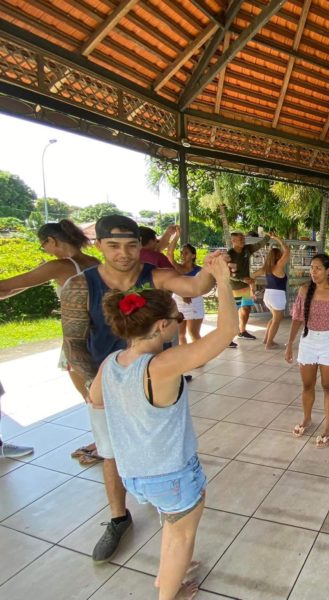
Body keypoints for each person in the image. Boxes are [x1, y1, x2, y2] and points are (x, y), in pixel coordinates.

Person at [61, 214, 225, 563]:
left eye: (131, 245)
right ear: (99, 246)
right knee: (111, 452)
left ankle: (170, 503)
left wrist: (214, 267)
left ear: (141, 245)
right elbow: (73, 344)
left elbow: (195, 288)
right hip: (109, 380)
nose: (124, 253)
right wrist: (96, 390)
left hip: (155, 378)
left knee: (164, 446)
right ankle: (118, 517)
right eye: (114, 245)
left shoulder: (154, 276)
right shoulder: (80, 285)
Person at [88, 255, 235, 600]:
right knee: (182, 535)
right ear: (159, 327)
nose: (179, 321)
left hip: (135, 472)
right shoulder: (162, 365)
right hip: (170, 472)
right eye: (175, 318)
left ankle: (168, 576)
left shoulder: (111, 363)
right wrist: (224, 283)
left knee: (172, 525)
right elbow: (227, 332)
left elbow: (96, 400)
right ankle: (170, 593)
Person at [0, 219, 101, 460]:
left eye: (43, 244)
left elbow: (7, 285)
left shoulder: (60, 266)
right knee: (101, 392)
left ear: (52, 241)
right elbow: (18, 288)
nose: (44, 249)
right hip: (100, 336)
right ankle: (105, 443)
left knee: (91, 397)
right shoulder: (94, 262)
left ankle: (103, 445)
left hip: (77, 340)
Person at [284, 254, 329, 448]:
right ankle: (307, 419)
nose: (313, 272)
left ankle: (328, 426)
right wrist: (289, 343)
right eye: (312, 268)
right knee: (307, 385)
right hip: (308, 341)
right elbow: (297, 318)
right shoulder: (305, 290)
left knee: (328, 386)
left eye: (318, 268)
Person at [228, 231, 269, 342]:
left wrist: (268, 236)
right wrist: (242, 278)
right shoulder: (229, 255)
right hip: (234, 287)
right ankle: (227, 338)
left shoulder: (247, 249)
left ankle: (242, 331)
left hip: (246, 287)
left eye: (243, 238)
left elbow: (259, 244)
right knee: (233, 312)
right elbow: (229, 274)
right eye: (240, 239)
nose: (243, 240)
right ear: (233, 241)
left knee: (246, 309)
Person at [252, 233, 290, 349]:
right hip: (277, 296)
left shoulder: (267, 268)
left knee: (273, 318)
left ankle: (266, 340)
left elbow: (252, 276)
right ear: (278, 256)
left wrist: (251, 290)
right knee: (277, 321)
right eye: (280, 254)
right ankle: (269, 343)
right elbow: (287, 251)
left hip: (268, 295)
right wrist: (277, 238)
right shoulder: (278, 265)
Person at [166, 230, 204, 345]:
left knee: (193, 333)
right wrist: (176, 236)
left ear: (193, 256)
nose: (183, 255)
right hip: (179, 302)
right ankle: (186, 359)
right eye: (182, 253)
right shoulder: (176, 267)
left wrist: (189, 294)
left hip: (195, 301)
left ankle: (200, 357)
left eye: (186, 253)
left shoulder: (200, 270)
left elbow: (203, 287)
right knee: (180, 334)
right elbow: (169, 254)